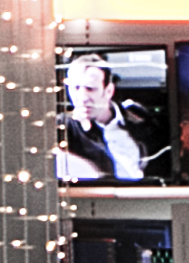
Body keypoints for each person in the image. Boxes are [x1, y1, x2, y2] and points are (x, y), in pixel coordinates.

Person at [60, 51, 152, 181]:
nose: (82, 98)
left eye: (90, 89)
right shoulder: (62, 128)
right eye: (75, 88)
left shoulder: (141, 121)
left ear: (109, 91)